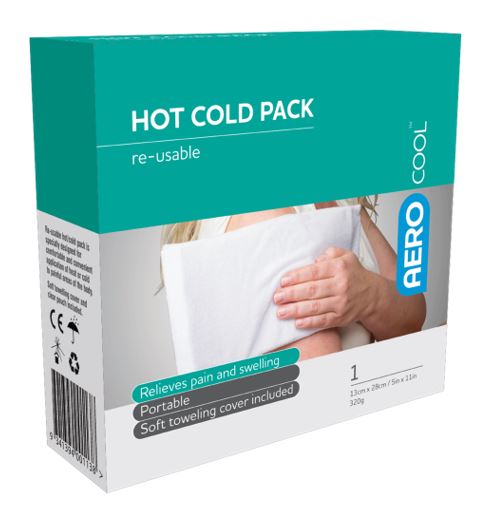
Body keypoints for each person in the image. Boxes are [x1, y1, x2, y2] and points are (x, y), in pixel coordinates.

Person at [161, 198, 426, 361]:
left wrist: (371, 297)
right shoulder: (265, 209)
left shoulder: (342, 194)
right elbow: (319, 400)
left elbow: (413, 310)